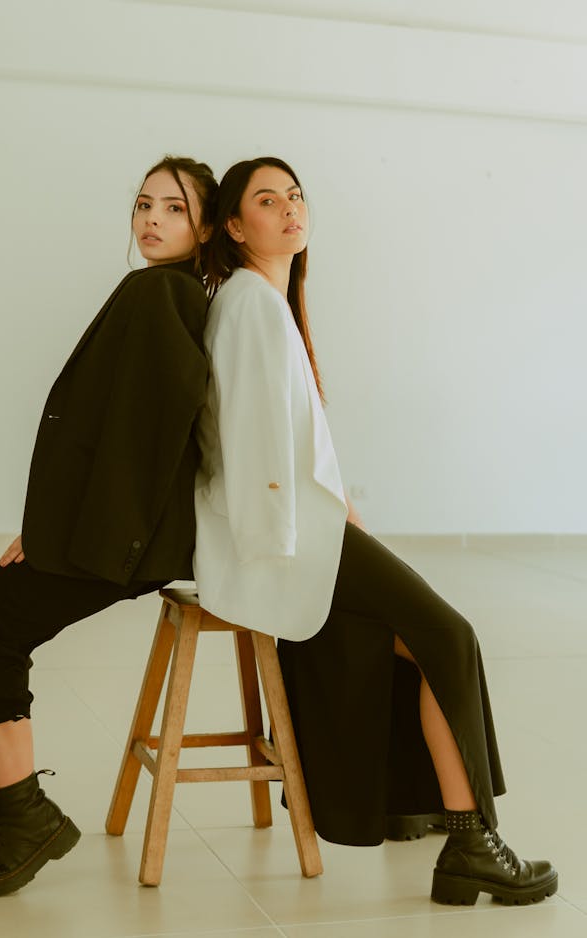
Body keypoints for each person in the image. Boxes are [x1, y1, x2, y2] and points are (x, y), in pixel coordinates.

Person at [193, 156, 557, 906]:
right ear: (234, 225)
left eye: (296, 196)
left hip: (305, 528)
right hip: (289, 538)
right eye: (268, 200)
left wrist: (344, 515)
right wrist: (307, 546)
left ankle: (466, 841)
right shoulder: (252, 305)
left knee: (423, 646)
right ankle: (472, 841)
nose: (291, 209)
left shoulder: (262, 300)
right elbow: (254, 447)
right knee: (448, 638)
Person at [0, 156, 218, 897]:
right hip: (110, 529)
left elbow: (142, 438)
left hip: (119, 537)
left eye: (174, 208)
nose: (151, 219)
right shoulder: (166, 291)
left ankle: (22, 812)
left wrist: (67, 534)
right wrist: (48, 525)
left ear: (205, 226)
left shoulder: (160, 295)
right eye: (143, 204)